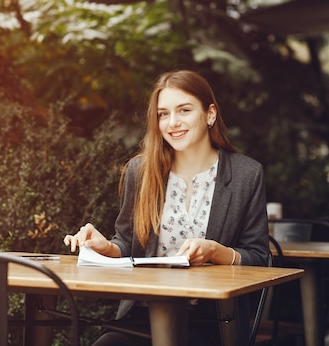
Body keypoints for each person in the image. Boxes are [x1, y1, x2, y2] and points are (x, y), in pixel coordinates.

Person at [64, 69, 269, 346]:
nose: (173, 122)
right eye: (163, 114)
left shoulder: (247, 174)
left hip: (211, 320)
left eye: (184, 110)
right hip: (142, 314)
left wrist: (217, 252)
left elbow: (260, 257)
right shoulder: (141, 171)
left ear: (210, 114)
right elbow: (127, 244)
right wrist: (106, 248)